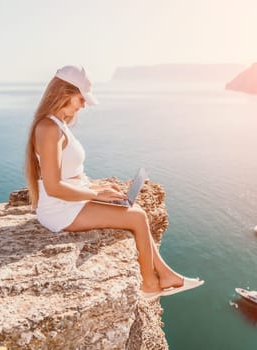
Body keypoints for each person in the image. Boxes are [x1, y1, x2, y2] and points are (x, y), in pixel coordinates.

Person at [25, 65, 204, 299]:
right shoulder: (49, 128)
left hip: (69, 202)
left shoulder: (58, 125)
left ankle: (166, 275)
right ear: (65, 93)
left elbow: (70, 176)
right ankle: (149, 285)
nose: (84, 104)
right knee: (137, 217)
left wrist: (100, 188)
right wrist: (96, 195)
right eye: (81, 98)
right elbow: (54, 187)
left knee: (134, 209)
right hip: (59, 210)